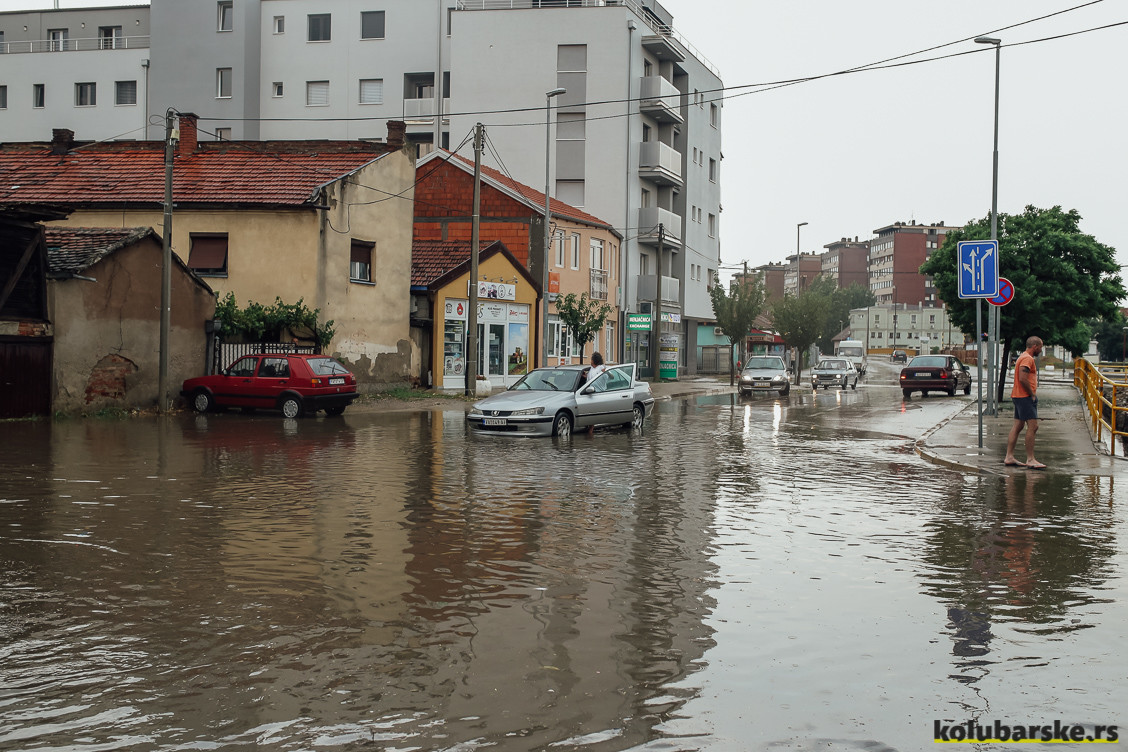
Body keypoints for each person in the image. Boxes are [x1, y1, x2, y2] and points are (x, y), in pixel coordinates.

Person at [1003, 335, 1045, 469]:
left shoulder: (1022, 356)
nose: (1041, 350)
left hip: (1018, 395)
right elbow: (1022, 378)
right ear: (1035, 346)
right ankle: (1030, 459)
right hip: (1024, 397)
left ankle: (1009, 456)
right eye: (1041, 347)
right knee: (1033, 426)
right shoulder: (1028, 358)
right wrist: (1032, 394)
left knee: (1018, 426)